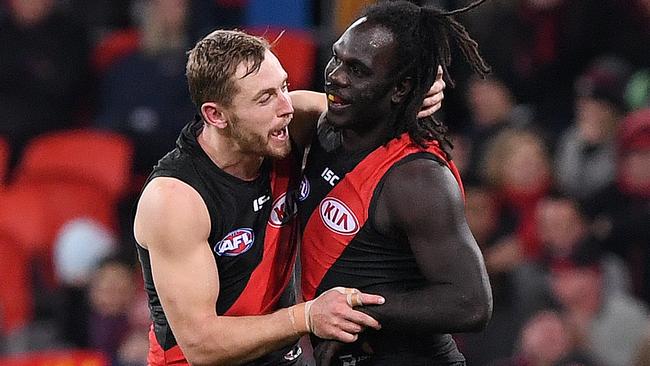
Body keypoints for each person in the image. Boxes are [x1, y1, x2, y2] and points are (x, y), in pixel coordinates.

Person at [133, 28, 445, 365]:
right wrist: (307, 317)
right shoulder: (175, 200)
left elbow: (362, 105)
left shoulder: (288, 124)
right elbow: (202, 346)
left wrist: (411, 88)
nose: (285, 105)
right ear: (216, 115)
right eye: (264, 97)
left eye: (283, 85)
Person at [297, 1, 493, 365]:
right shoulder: (326, 128)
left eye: (357, 70)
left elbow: (471, 304)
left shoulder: (417, 177)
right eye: (337, 58)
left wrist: (354, 310)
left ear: (401, 89)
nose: (337, 76)